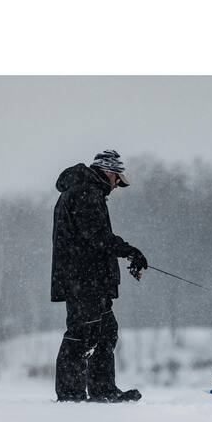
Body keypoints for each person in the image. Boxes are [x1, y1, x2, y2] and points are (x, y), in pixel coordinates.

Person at [51, 149, 148, 402]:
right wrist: (129, 251)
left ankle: (103, 389)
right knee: (83, 332)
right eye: (117, 179)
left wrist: (125, 253)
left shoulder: (86, 190)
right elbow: (97, 237)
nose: (117, 186)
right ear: (108, 172)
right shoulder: (85, 192)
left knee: (105, 331)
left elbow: (96, 239)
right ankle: (70, 394)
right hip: (82, 279)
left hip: (90, 278)